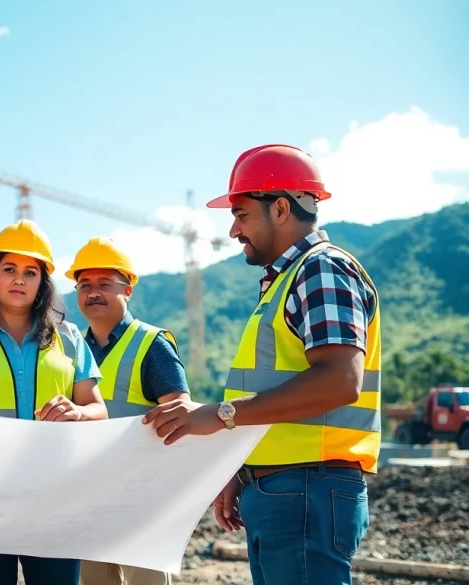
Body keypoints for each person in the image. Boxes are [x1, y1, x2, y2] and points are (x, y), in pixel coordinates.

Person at [142, 144, 381, 585]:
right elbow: (278, 390)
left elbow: (340, 380)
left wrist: (221, 415)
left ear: (282, 208)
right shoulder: (283, 282)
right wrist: (242, 469)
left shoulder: (321, 270)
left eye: (241, 214)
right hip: (285, 490)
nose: (233, 230)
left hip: (307, 489)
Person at [0, 220, 106, 585]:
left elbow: (98, 411)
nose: (19, 280)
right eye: (9, 269)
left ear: (43, 282)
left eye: (31, 272)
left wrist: (77, 413)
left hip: (57, 498)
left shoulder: (69, 337)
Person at [67, 237, 187, 585]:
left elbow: (182, 421)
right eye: (84, 285)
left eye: (105, 284)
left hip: (144, 500)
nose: (93, 293)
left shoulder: (153, 346)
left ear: (128, 290)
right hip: (88, 496)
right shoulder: (70, 349)